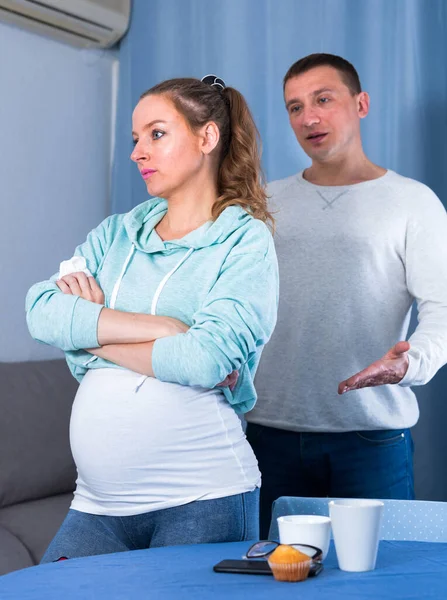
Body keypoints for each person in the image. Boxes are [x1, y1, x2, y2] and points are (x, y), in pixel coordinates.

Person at [26, 75, 278, 560]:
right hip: (97, 505)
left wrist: (88, 333)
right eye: (136, 139)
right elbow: (41, 312)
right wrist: (162, 329)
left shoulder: (245, 241)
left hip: (203, 500)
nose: (138, 152)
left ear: (207, 138)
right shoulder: (116, 234)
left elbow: (205, 360)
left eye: (157, 134)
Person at [245, 53, 447, 537]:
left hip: (372, 439)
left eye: (323, 99)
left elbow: (443, 309)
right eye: (294, 107)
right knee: (272, 582)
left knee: (381, 582)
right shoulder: (263, 203)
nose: (308, 117)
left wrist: (411, 362)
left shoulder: (412, 202)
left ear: (361, 104)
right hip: (266, 435)